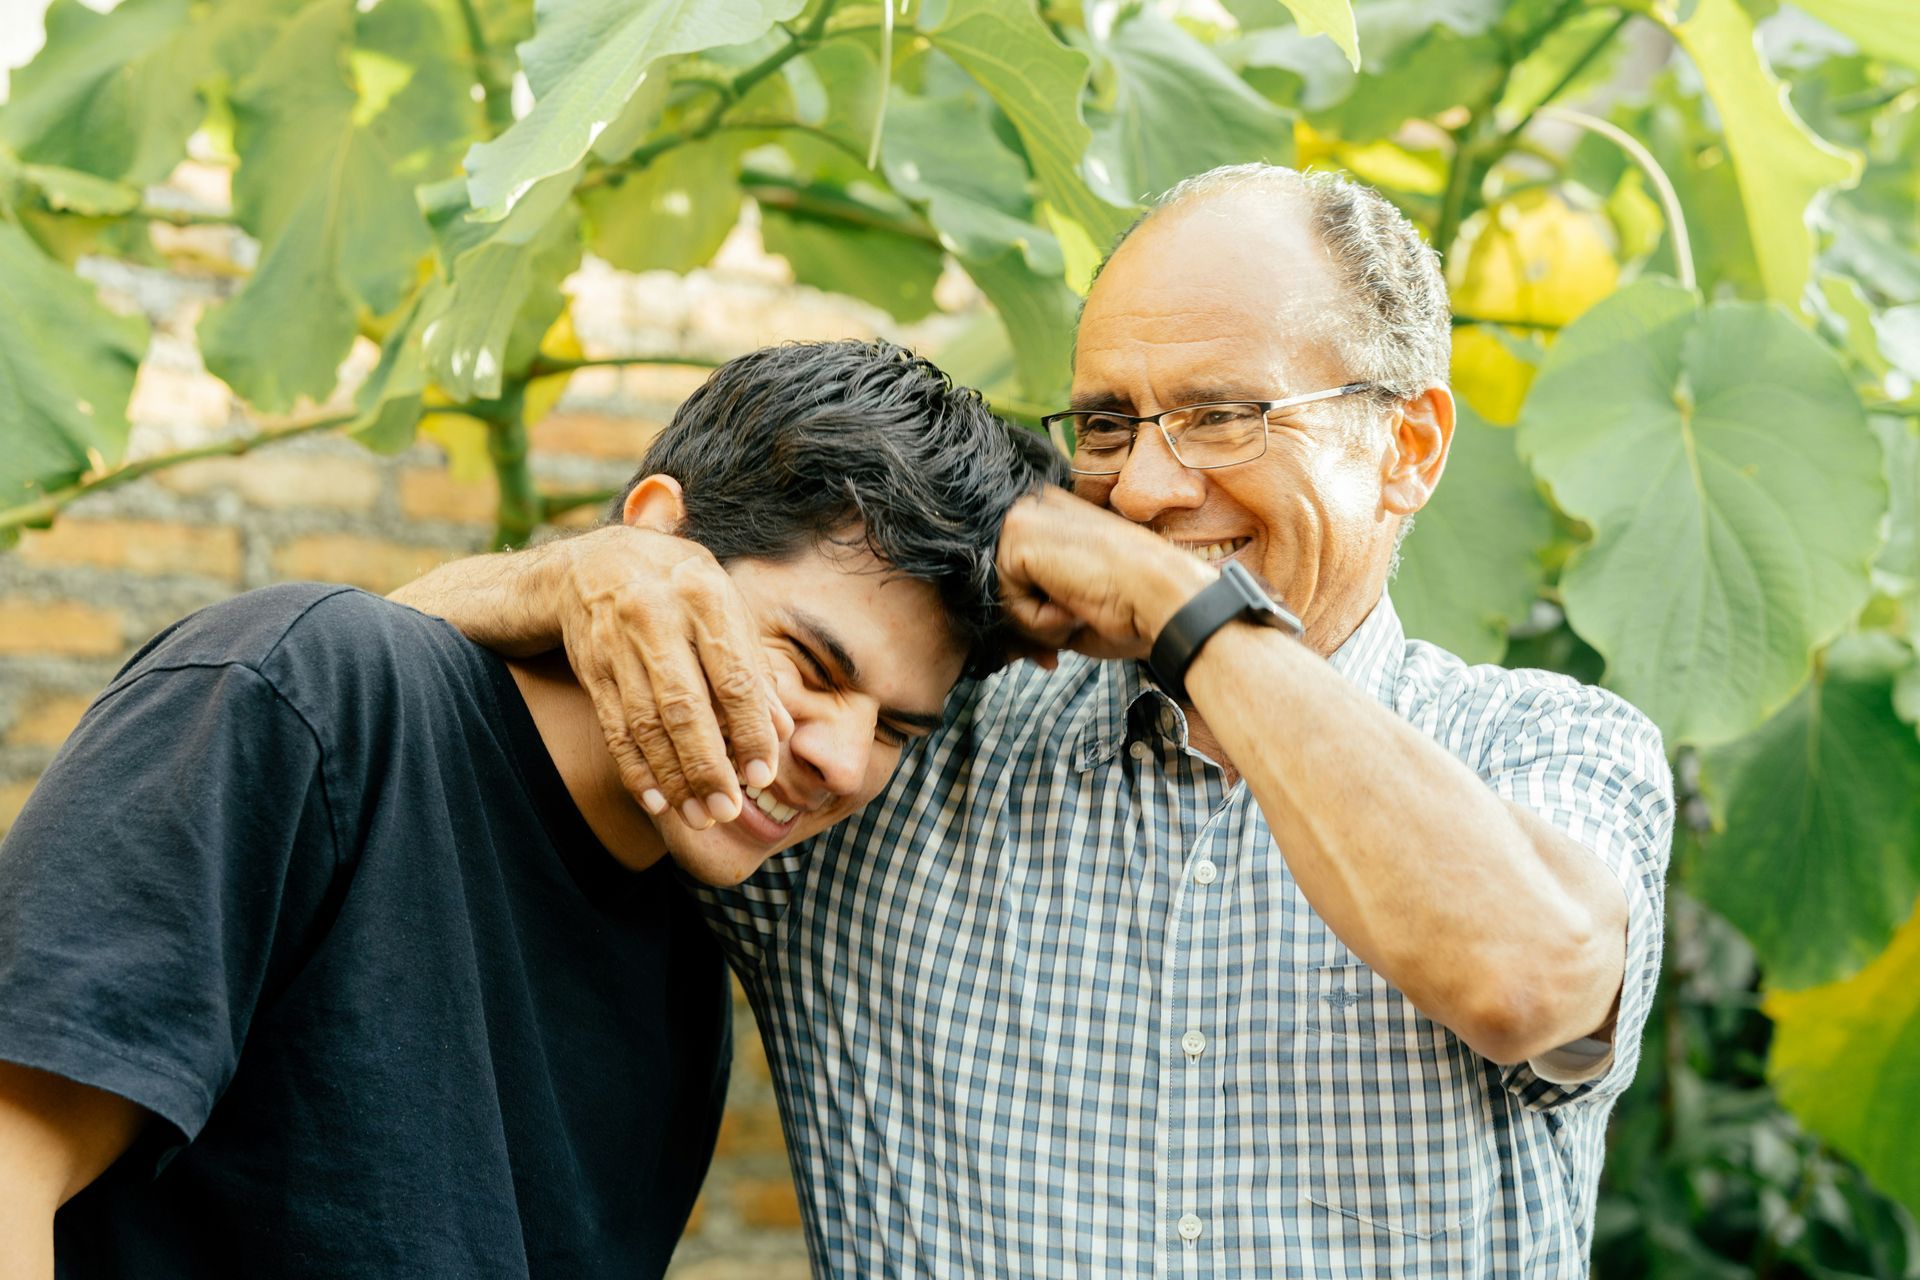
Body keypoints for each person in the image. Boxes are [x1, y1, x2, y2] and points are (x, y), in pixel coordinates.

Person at [397, 165, 1674, 1276]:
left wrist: (1190, 611)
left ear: (1410, 445)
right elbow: (346, 687)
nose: (1155, 485)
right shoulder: (901, 744)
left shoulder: (1546, 745)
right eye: (1110, 423)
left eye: (1223, 414)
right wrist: (571, 576)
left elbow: (1526, 979)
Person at [0, 340, 1061, 1278]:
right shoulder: (316, 690)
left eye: (893, 731)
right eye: (812, 663)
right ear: (655, 536)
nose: (839, 756)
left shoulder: (685, 973)